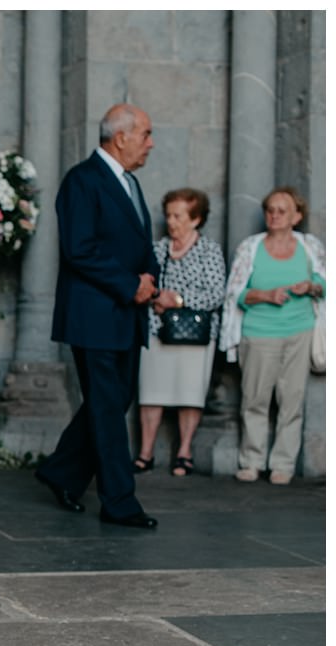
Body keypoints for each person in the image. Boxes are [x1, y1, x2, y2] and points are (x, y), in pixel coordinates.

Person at [34, 103, 161, 529]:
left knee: (111, 402)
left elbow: (140, 244)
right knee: (109, 409)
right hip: (94, 316)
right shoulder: (82, 181)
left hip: (127, 313)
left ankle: (61, 471)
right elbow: (80, 249)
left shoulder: (130, 182)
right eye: (145, 133)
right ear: (120, 136)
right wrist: (130, 285)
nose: (151, 142)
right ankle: (119, 502)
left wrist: (148, 281)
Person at [219, 187, 326, 485]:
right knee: (254, 399)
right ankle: (251, 461)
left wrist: (311, 286)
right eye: (270, 210)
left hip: (299, 330)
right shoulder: (251, 247)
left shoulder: (310, 247)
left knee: (292, 399)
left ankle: (283, 463)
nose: (275, 215)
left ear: (297, 216)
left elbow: (325, 283)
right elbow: (235, 294)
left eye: (282, 210)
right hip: (259, 331)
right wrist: (266, 294)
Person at [133, 189, 227, 477]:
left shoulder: (208, 250)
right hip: (156, 330)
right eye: (169, 215)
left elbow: (216, 294)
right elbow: (140, 285)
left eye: (178, 216)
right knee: (151, 392)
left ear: (195, 219)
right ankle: (145, 452)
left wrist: (177, 300)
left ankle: (184, 452)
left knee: (190, 393)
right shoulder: (156, 249)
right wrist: (156, 297)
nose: (171, 222)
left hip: (195, 335)